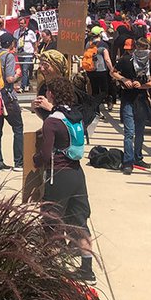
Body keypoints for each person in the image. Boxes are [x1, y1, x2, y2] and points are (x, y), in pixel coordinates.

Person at [32, 77, 96, 285]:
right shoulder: (76, 116)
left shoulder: (52, 122)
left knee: (52, 221)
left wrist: (34, 160)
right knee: (79, 222)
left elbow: (46, 153)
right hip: (77, 174)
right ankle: (87, 269)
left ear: (51, 94)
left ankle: (50, 267)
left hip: (57, 175)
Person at [111, 38, 151, 174]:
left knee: (140, 131)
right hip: (128, 98)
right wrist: (124, 79)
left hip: (141, 99)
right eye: (140, 47)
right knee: (129, 131)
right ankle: (128, 161)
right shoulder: (125, 60)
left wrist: (142, 85)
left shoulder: (149, 63)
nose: (143, 50)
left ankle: (138, 157)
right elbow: (113, 72)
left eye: (145, 48)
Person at [0, 33, 24, 172]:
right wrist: (17, 74)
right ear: (11, 43)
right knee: (18, 127)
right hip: (8, 96)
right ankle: (19, 162)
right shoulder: (9, 56)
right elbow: (9, 78)